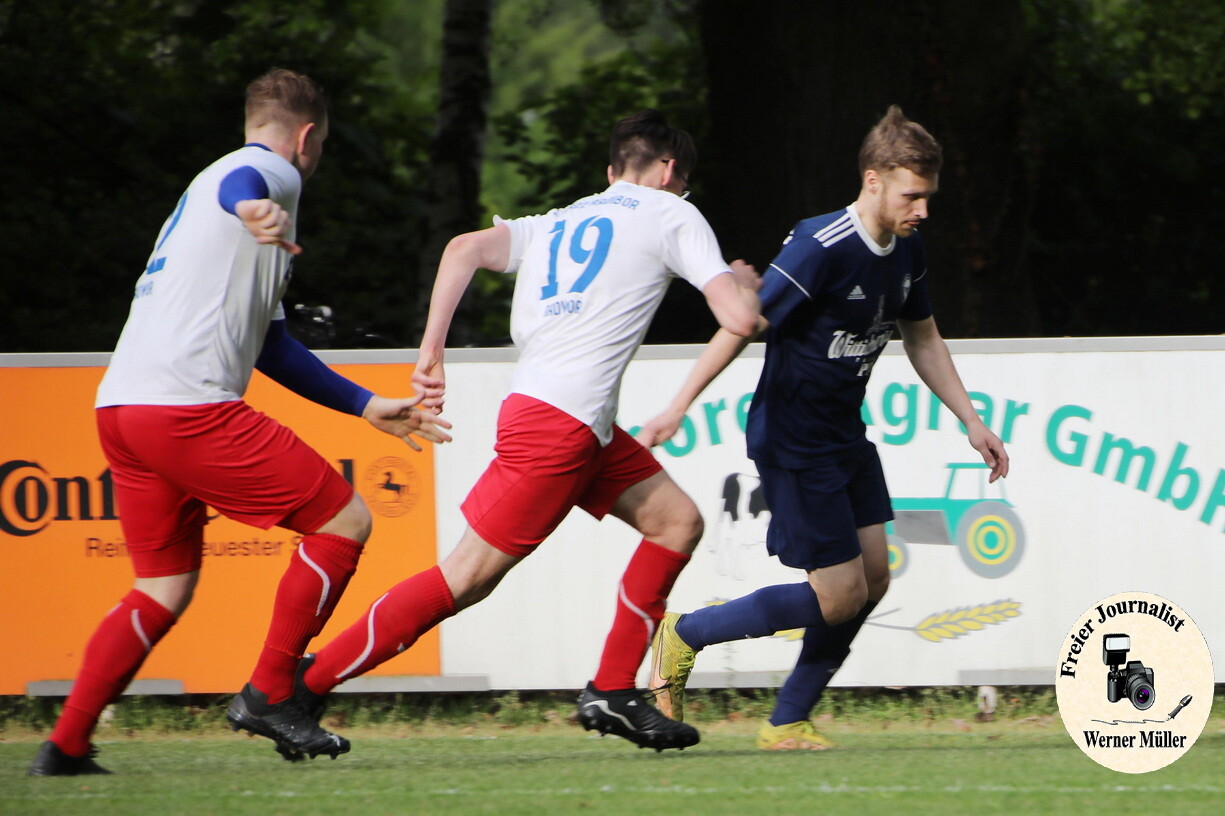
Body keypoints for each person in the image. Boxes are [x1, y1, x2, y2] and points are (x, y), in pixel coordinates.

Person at [293, 109, 761, 753]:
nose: (682, 192)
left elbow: (462, 249)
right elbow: (738, 318)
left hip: (567, 419)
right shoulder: (670, 211)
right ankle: (305, 684)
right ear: (670, 170)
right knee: (465, 577)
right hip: (560, 428)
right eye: (682, 182)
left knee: (676, 522)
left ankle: (613, 690)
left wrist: (431, 350)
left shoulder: (560, 219)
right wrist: (743, 288)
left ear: (611, 171)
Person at [27, 68, 451, 776]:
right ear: (307, 137)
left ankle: (65, 746)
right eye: (320, 147)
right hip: (187, 406)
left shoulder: (211, 192)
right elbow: (247, 182)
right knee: (344, 521)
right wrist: (253, 207)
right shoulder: (264, 176)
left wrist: (365, 404)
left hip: (122, 409)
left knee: (161, 588)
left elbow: (272, 345)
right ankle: (270, 693)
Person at [640, 106, 1010, 750]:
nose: (923, 210)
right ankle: (685, 633)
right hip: (793, 439)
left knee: (874, 579)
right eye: (911, 196)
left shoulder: (907, 249)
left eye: (928, 196)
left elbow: (922, 337)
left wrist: (972, 421)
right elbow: (743, 324)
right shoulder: (820, 246)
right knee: (839, 597)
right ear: (873, 180)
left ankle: (788, 720)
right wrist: (678, 405)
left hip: (844, 435)